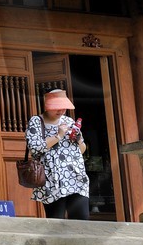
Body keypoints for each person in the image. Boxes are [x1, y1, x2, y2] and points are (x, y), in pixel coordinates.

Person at [25, 89, 93, 220]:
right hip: (52, 180)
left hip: (76, 178)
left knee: (82, 221)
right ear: (47, 106)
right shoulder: (36, 121)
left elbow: (81, 150)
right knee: (56, 222)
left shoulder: (69, 121)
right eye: (57, 107)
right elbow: (34, 149)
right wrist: (59, 135)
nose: (61, 111)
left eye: (63, 108)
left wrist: (79, 139)